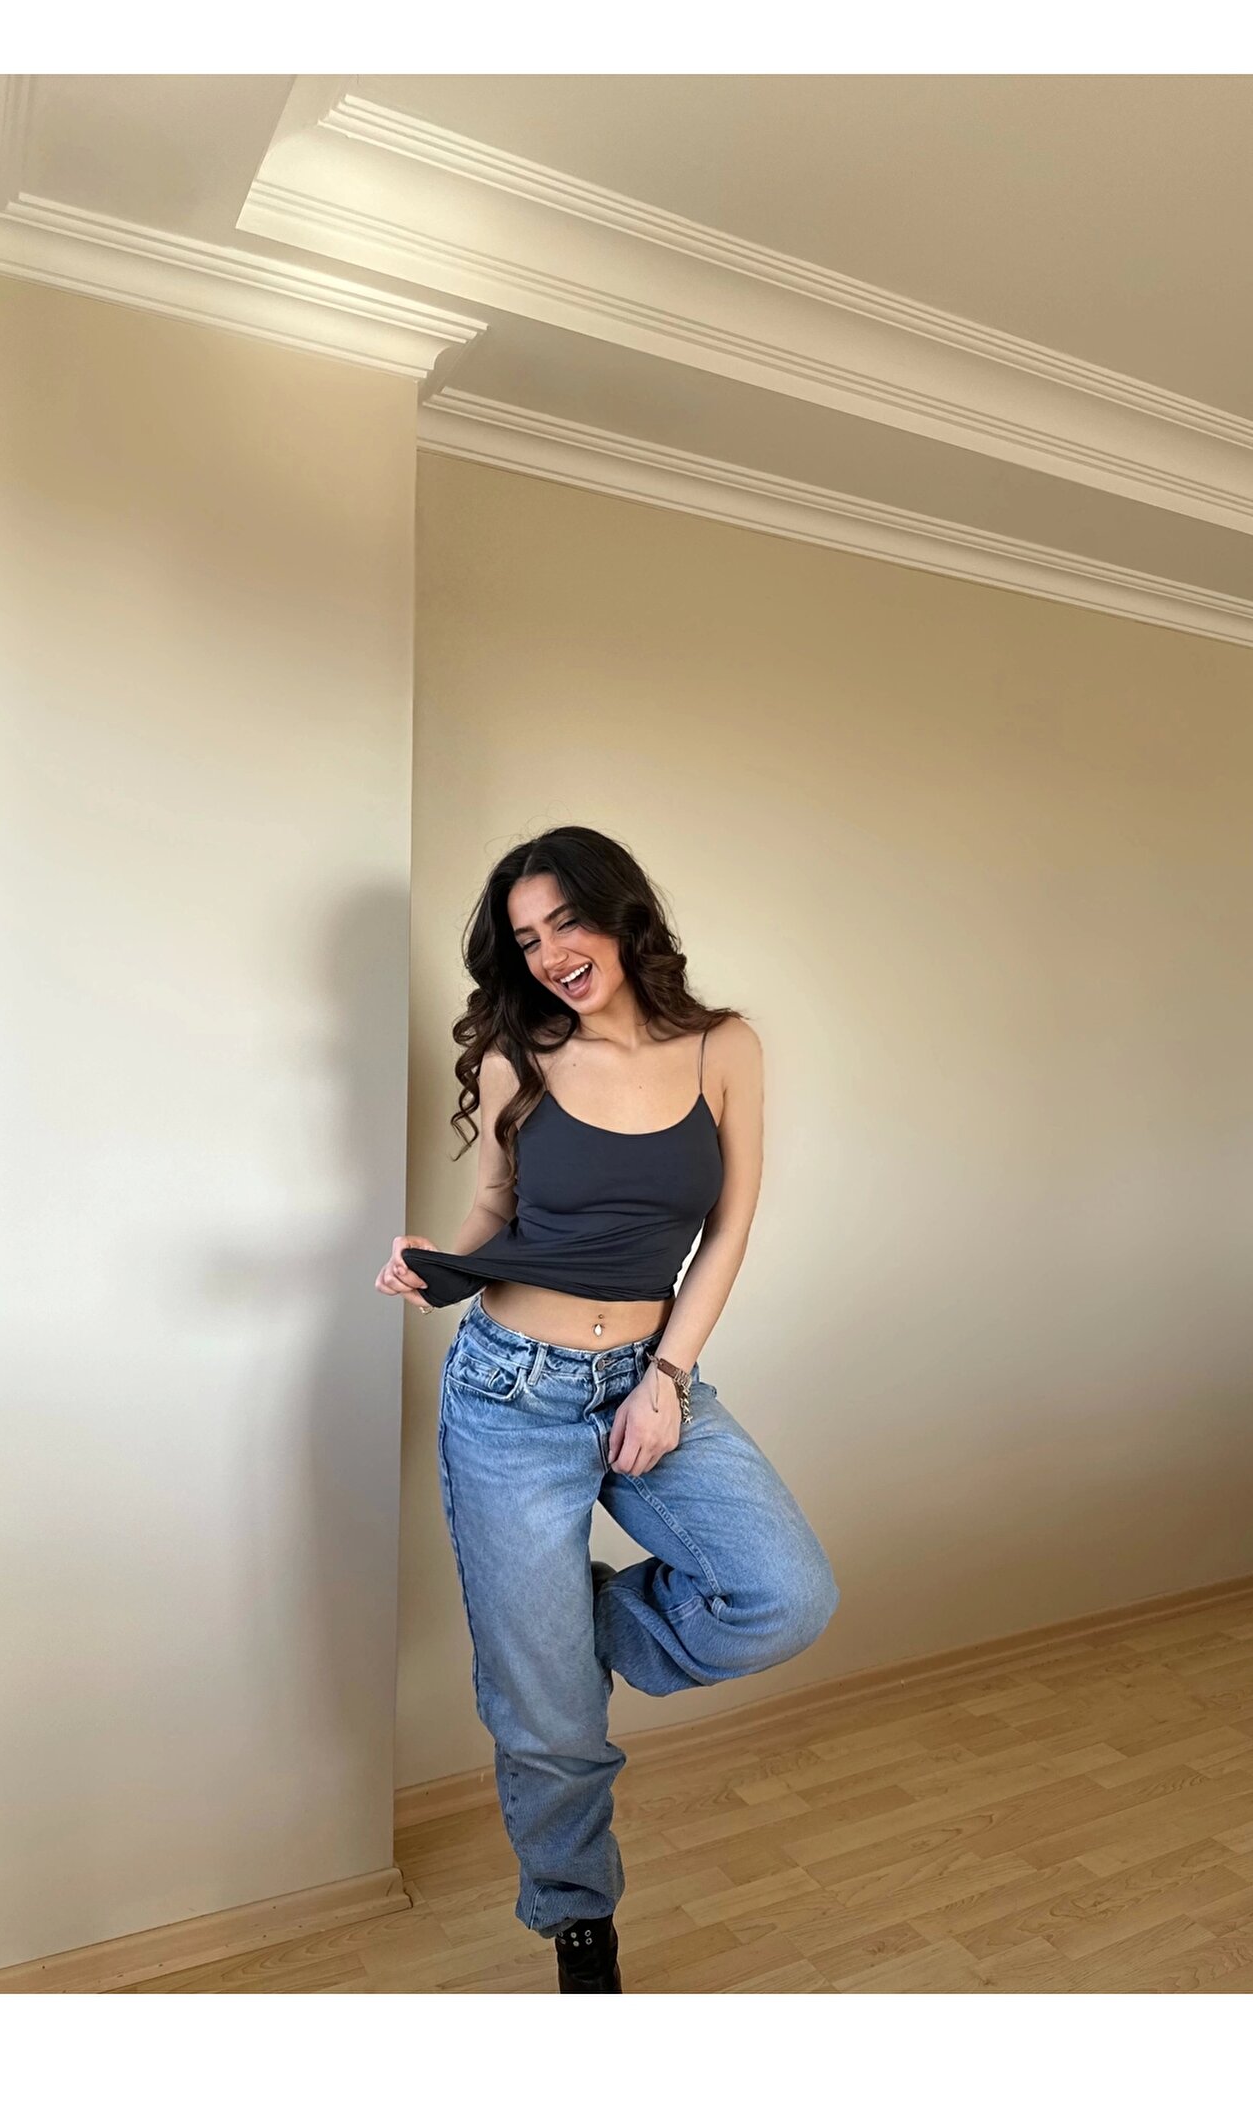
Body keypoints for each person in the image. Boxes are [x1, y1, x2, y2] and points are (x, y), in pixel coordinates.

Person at [375, 824, 838, 1992]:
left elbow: (729, 1226)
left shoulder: (723, 1046)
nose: (550, 954)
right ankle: (580, 1921)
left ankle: (562, 1632)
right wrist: (438, 1261)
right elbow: (495, 1209)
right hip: (508, 1390)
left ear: (621, 915)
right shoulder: (517, 1057)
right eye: (527, 939)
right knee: (550, 1721)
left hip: (647, 1372)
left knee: (784, 1596)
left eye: (567, 923)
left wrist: (668, 1380)